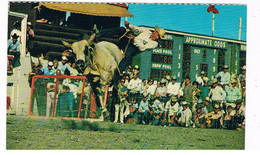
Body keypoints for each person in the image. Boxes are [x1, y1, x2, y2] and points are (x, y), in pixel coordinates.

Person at [94, 21, 165, 72]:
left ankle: (118, 71)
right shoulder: (147, 31)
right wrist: (128, 26)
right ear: (155, 32)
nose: (157, 37)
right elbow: (136, 29)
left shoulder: (154, 44)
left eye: (158, 37)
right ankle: (99, 34)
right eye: (158, 35)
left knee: (128, 54)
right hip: (129, 41)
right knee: (122, 29)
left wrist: (135, 39)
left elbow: (142, 47)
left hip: (134, 48)